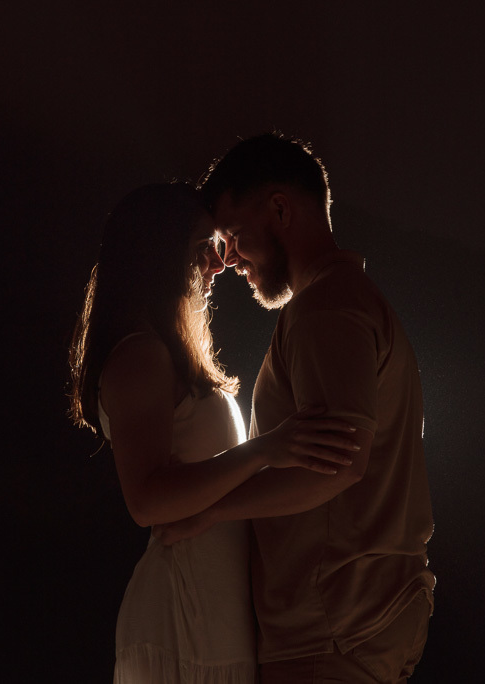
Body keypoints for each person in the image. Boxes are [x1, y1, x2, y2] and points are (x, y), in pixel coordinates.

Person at [154, 135, 436, 684]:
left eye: (234, 236)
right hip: (355, 622)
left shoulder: (325, 309)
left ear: (280, 208)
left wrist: (211, 509)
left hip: (332, 629)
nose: (229, 260)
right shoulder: (346, 299)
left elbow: (341, 462)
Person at [69, 182, 360, 684]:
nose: (220, 264)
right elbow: (147, 501)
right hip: (183, 615)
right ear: (159, 253)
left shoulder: (168, 353)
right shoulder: (140, 355)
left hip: (217, 616)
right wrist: (264, 450)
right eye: (205, 247)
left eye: (220, 247)